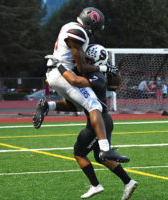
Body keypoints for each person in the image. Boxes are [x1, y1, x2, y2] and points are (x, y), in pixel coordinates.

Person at [33, 7, 128, 163]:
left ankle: (48, 106)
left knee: (78, 105)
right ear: (90, 24)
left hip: (56, 73)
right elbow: (82, 68)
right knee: (93, 105)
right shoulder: (79, 33)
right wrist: (104, 68)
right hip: (62, 73)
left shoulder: (68, 26)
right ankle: (105, 149)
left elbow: (106, 82)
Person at [48, 44, 138, 199]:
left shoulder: (97, 76)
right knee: (100, 157)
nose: (85, 61)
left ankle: (96, 185)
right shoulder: (96, 72)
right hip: (102, 120)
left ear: (96, 60)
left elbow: (76, 81)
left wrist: (59, 66)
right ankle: (128, 182)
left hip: (99, 121)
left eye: (88, 59)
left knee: (79, 153)